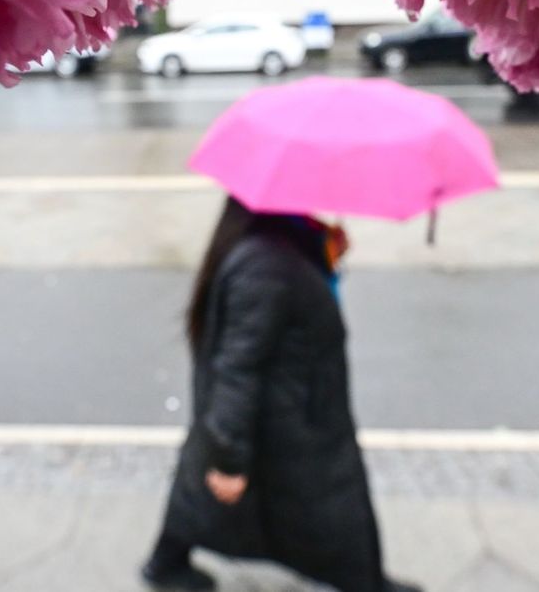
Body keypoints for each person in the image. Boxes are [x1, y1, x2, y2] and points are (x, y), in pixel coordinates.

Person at [142, 197, 421, 592]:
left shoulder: (274, 239)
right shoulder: (266, 267)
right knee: (337, 511)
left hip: (290, 405)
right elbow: (238, 369)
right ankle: (366, 583)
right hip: (292, 418)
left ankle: (165, 561)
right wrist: (228, 457)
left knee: (203, 491)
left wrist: (324, 253)